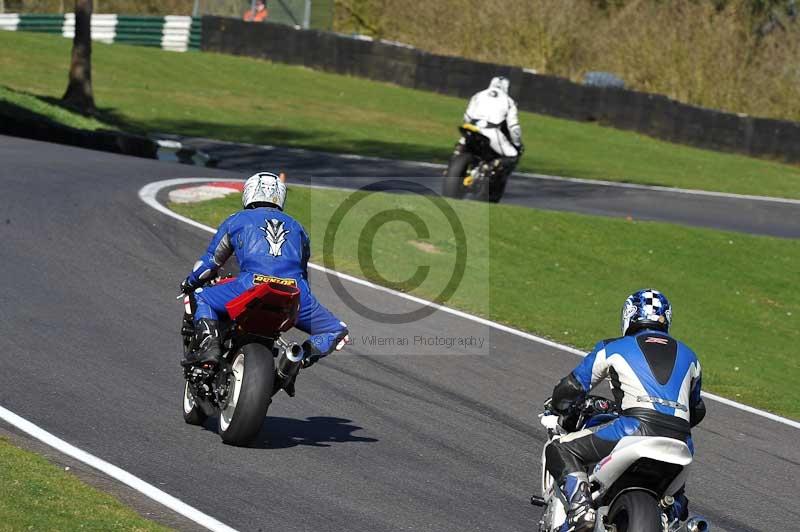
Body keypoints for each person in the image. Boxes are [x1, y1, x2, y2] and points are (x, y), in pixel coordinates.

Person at [545, 289, 705, 532]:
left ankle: (581, 511)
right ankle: (673, 517)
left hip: (634, 428)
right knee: (677, 496)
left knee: (559, 448)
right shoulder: (691, 357)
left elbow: (573, 386)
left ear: (629, 315)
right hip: (681, 440)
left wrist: (557, 406)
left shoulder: (614, 347)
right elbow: (697, 410)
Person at [180, 172, 348, 375]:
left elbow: (210, 263)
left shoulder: (237, 220)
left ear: (249, 193)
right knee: (336, 330)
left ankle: (210, 346)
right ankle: (297, 357)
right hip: (294, 294)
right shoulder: (299, 228)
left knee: (200, 297)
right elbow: (302, 272)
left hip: (249, 287)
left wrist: (190, 282)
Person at [460, 76, 523, 181]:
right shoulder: (509, 101)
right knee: (513, 156)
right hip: (491, 131)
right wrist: (517, 143)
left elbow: (467, 116)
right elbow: (514, 128)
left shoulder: (478, 95)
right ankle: (491, 165)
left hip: (471, 127)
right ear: (507, 88)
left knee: (460, 146)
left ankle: (453, 162)